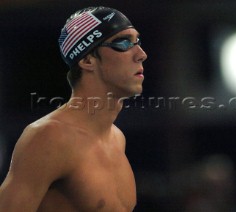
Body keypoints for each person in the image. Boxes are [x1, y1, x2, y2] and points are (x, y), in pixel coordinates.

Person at [0, 6, 147, 211]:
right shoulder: (49, 136)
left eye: (137, 42)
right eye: (123, 43)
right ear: (87, 60)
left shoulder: (116, 138)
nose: (141, 54)